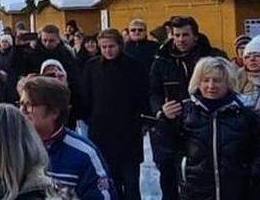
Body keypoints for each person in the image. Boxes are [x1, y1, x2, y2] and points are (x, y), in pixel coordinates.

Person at [158, 56, 260, 200]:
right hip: (195, 192)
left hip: (237, 193)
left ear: (228, 83)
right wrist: (166, 121)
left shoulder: (245, 115)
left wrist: (252, 179)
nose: (211, 86)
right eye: (206, 80)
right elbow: (167, 150)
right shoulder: (184, 113)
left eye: (217, 81)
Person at [148, 15, 226, 200]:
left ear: (195, 36)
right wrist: (161, 110)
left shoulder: (212, 57)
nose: (181, 39)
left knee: (200, 178)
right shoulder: (162, 59)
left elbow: (227, 85)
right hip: (171, 126)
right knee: (169, 178)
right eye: (177, 35)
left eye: (185, 35)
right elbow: (152, 92)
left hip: (203, 125)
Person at [17, 77, 114, 200]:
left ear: (54, 112)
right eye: (20, 104)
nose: (22, 111)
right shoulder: (15, 148)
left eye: (29, 105)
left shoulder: (83, 154)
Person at [80, 28, 148, 200]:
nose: (108, 51)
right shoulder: (92, 66)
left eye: (111, 46)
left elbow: (143, 96)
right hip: (102, 132)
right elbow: (86, 96)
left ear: (119, 45)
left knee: (131, 183)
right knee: (110, 182)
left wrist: (141, 121)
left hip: (128, 133)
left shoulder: (135, 66)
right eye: (103, 47)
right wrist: (90, 118)